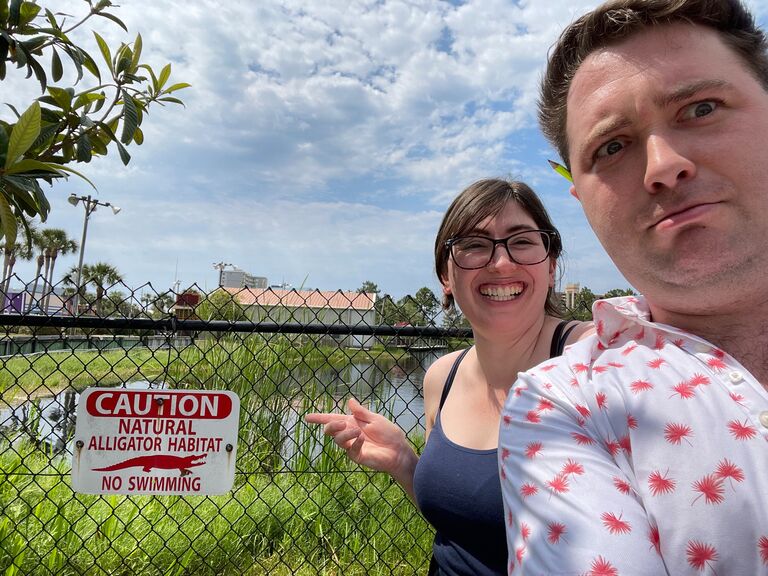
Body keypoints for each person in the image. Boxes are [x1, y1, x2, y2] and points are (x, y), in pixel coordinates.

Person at [499, 1, 768, 574]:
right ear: (582, 200)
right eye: (611, 147)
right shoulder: (563, 403)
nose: (663, 166)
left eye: (701, 107)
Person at [306, 178, 592, 575]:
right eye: (475, 245)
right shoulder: (443, 375)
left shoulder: (594, 358)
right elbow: (464, 527)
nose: (502, 262)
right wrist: (404, 462)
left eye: (522, 241)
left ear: (551, 264)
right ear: (446, 274)